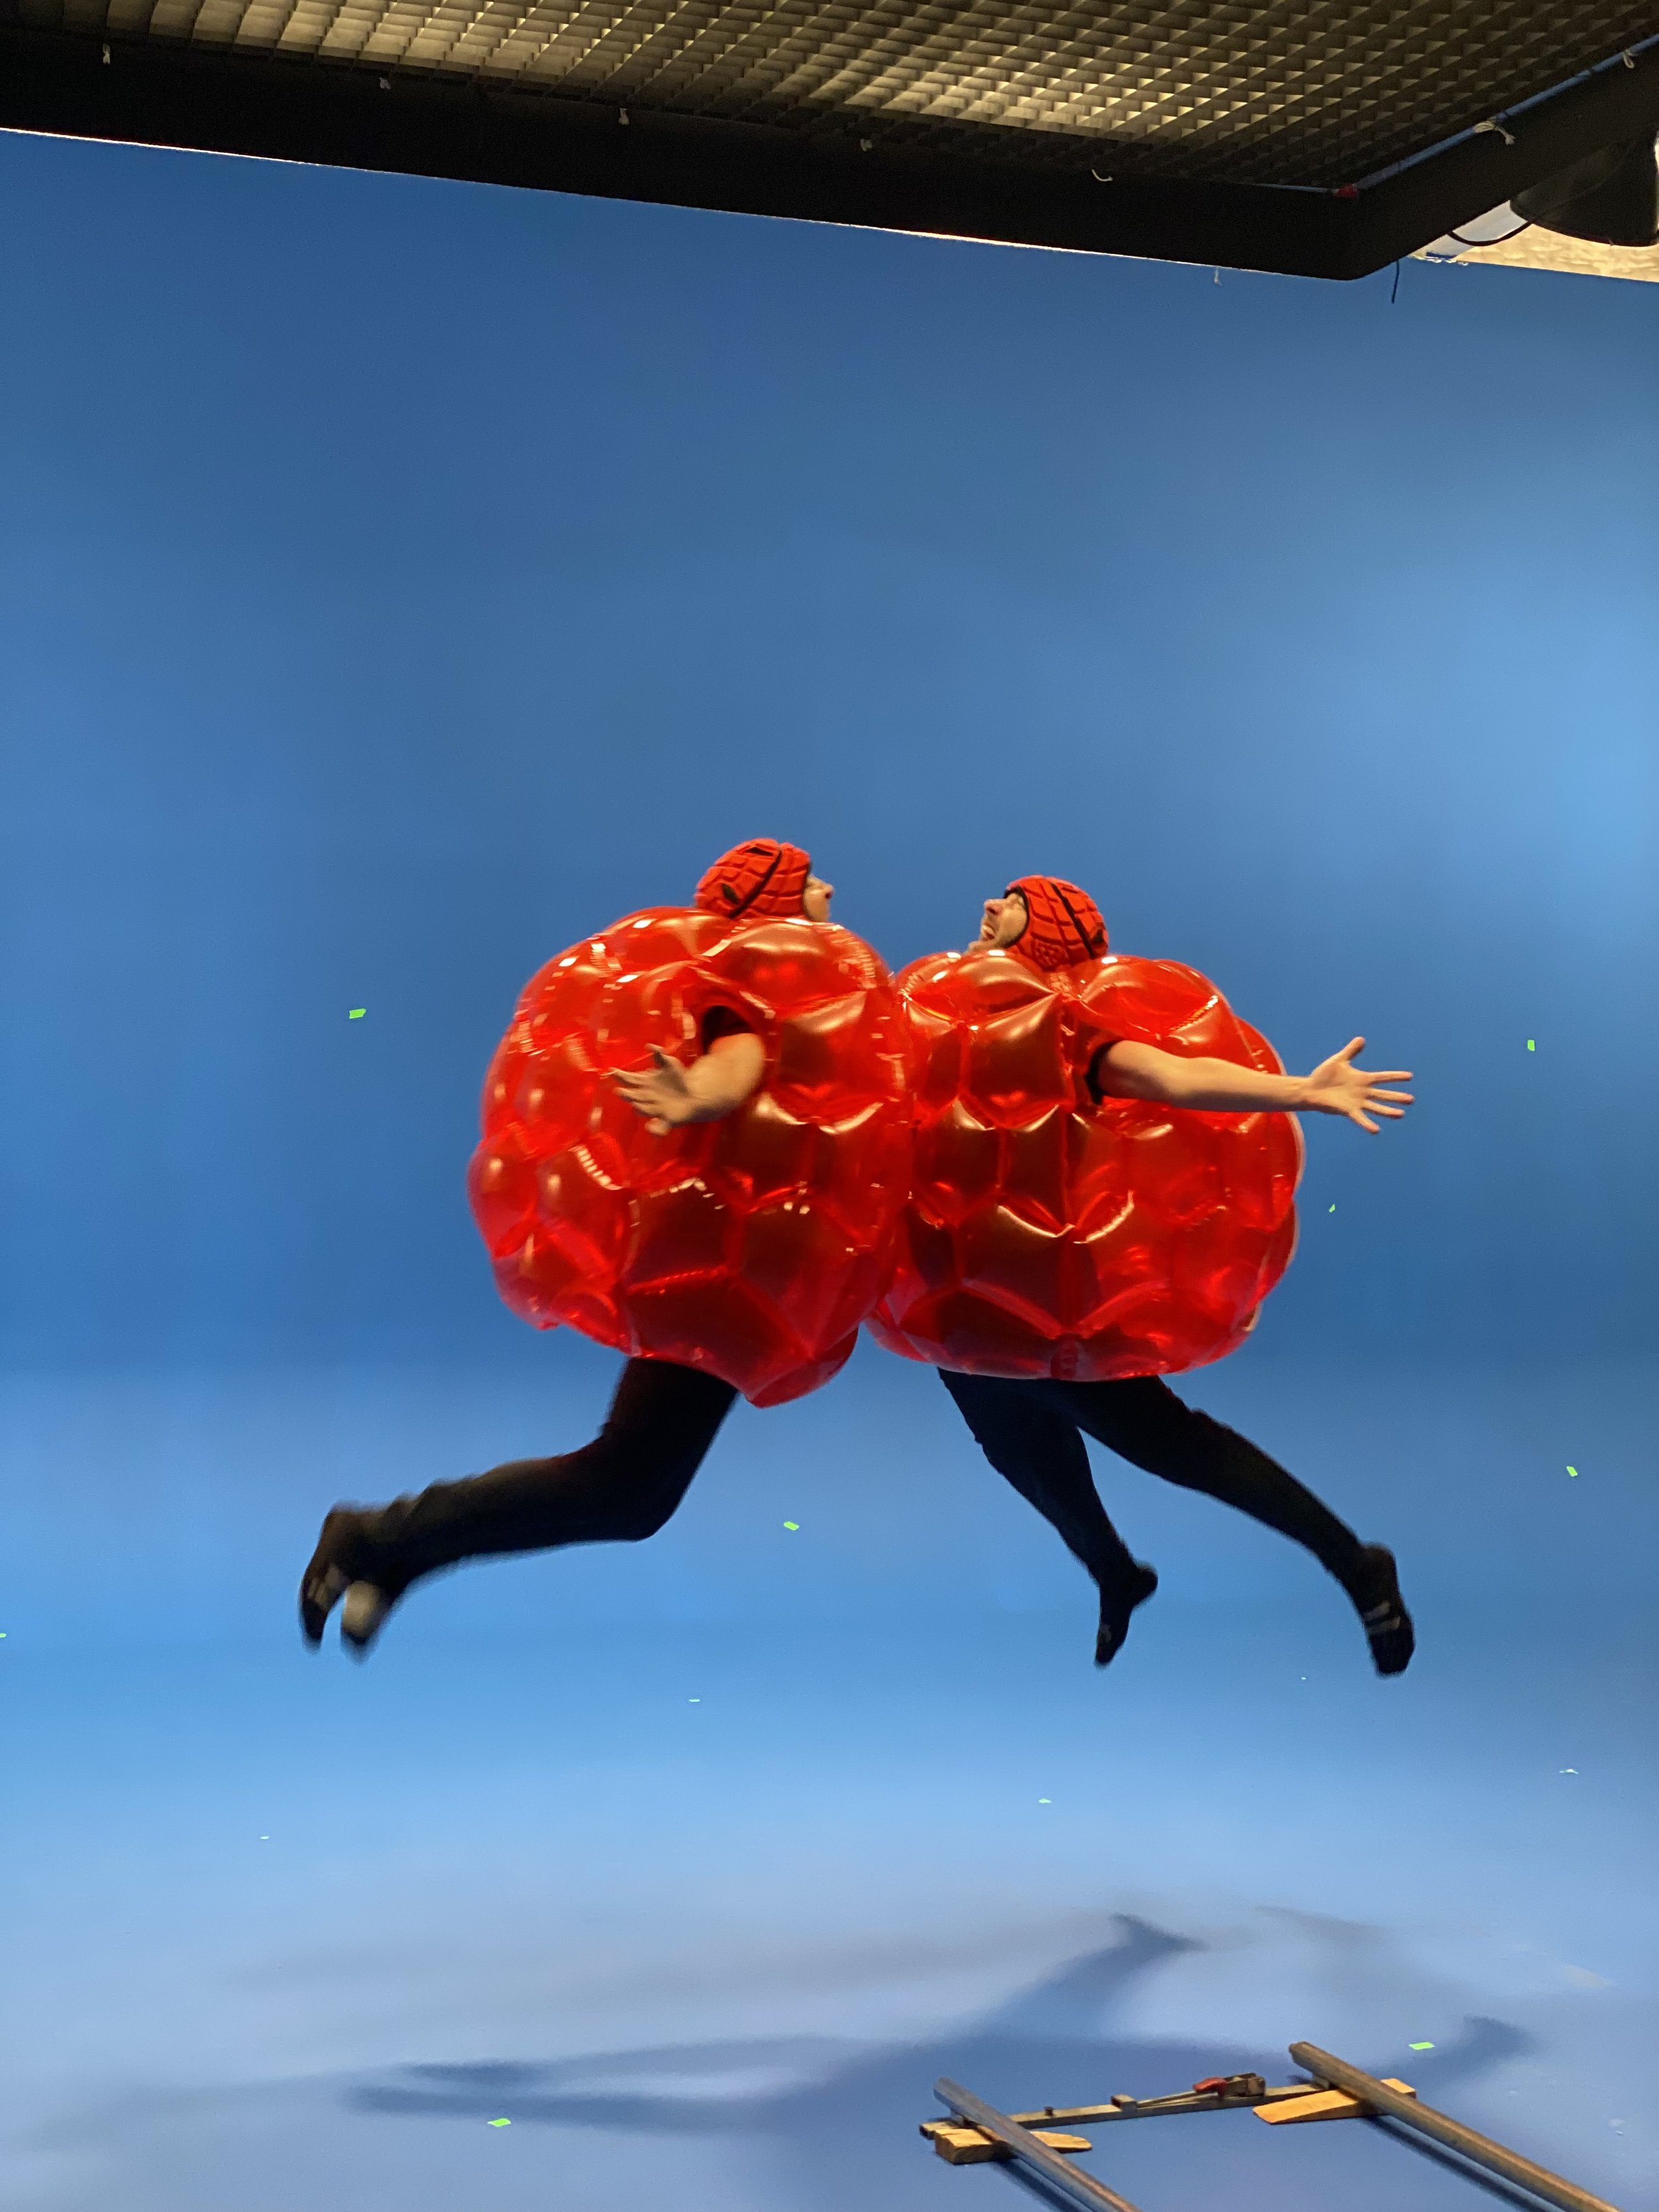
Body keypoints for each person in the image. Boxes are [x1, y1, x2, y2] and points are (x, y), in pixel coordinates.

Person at [299, 840, 838, 1657]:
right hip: (712, 1272)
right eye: (808, 880)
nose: (828, 889)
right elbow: (738, 1054)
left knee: (632, 1491)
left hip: (737, 1266)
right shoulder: (754, 983)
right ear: (775, 901)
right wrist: (699, 1093)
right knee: (625, 1488)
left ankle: (398, 1552)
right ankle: (376, 1535)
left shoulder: (816, 995)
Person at [932, 877, 1417, 1676]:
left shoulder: (1059, 1031)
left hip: (1046, 1290)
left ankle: (1356, 1564)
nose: (988, 907)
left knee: (1166, 1444)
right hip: (956, 1293)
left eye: (1011, 901)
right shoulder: (941, 1013)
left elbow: (1169, 1078)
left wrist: (1301, 1091)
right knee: (1017, 1451)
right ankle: (1116, 1574)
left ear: (1045, 930)